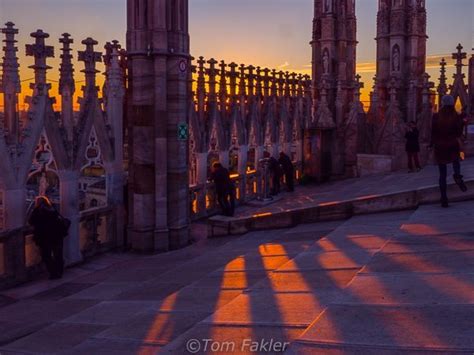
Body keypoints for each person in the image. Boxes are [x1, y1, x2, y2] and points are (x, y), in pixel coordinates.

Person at [431, 95, 468, 208]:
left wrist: (431, 144)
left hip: (440, 146)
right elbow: (458, 132)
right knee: (456, 161)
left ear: (442, 103)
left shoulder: (436, 116)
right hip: (452, 144)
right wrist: (462, 121)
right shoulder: (455, 116)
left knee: (442, 174)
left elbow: (433, 132)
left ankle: (444, 199)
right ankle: (457, 175)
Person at [29, 196, 65, 279]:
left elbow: (31, 221)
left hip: (44, 237)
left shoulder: (38, 211)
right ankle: (59, 271)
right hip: (57, 235)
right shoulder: (53, 209)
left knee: (46, 255)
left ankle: (53, 272)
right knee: (58, 254)